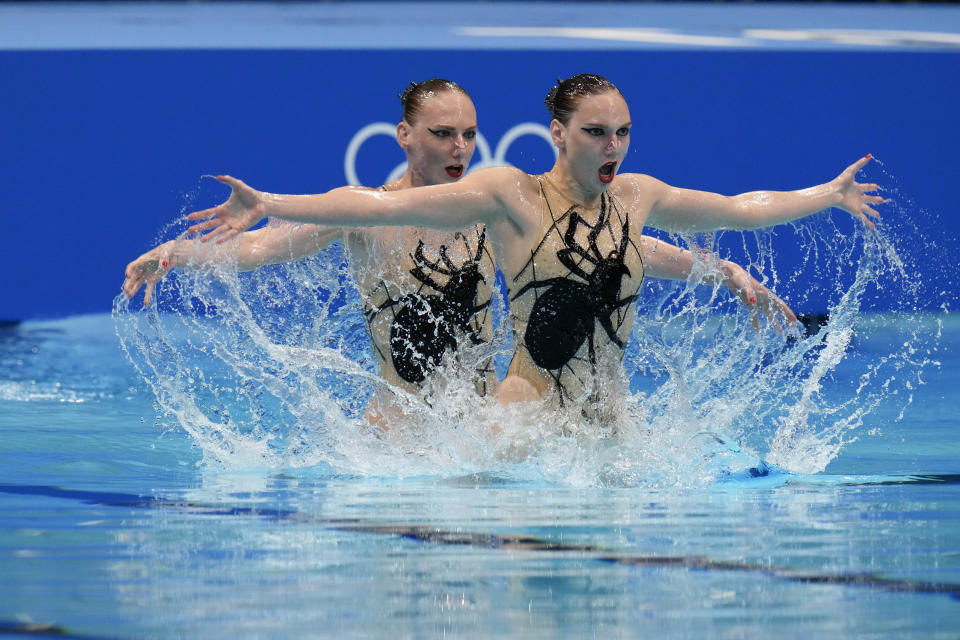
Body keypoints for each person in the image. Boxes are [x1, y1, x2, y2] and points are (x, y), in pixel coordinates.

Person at [173, 75, 819, 413]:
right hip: (404, 433)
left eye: (469, 134)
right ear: (403, 135)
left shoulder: (490, 212)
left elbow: (623, 250)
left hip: (478, 420)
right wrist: (179, 255)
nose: (459, 149)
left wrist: (721, 270)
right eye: (443, 134)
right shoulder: (365, 215)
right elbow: (258, 252)